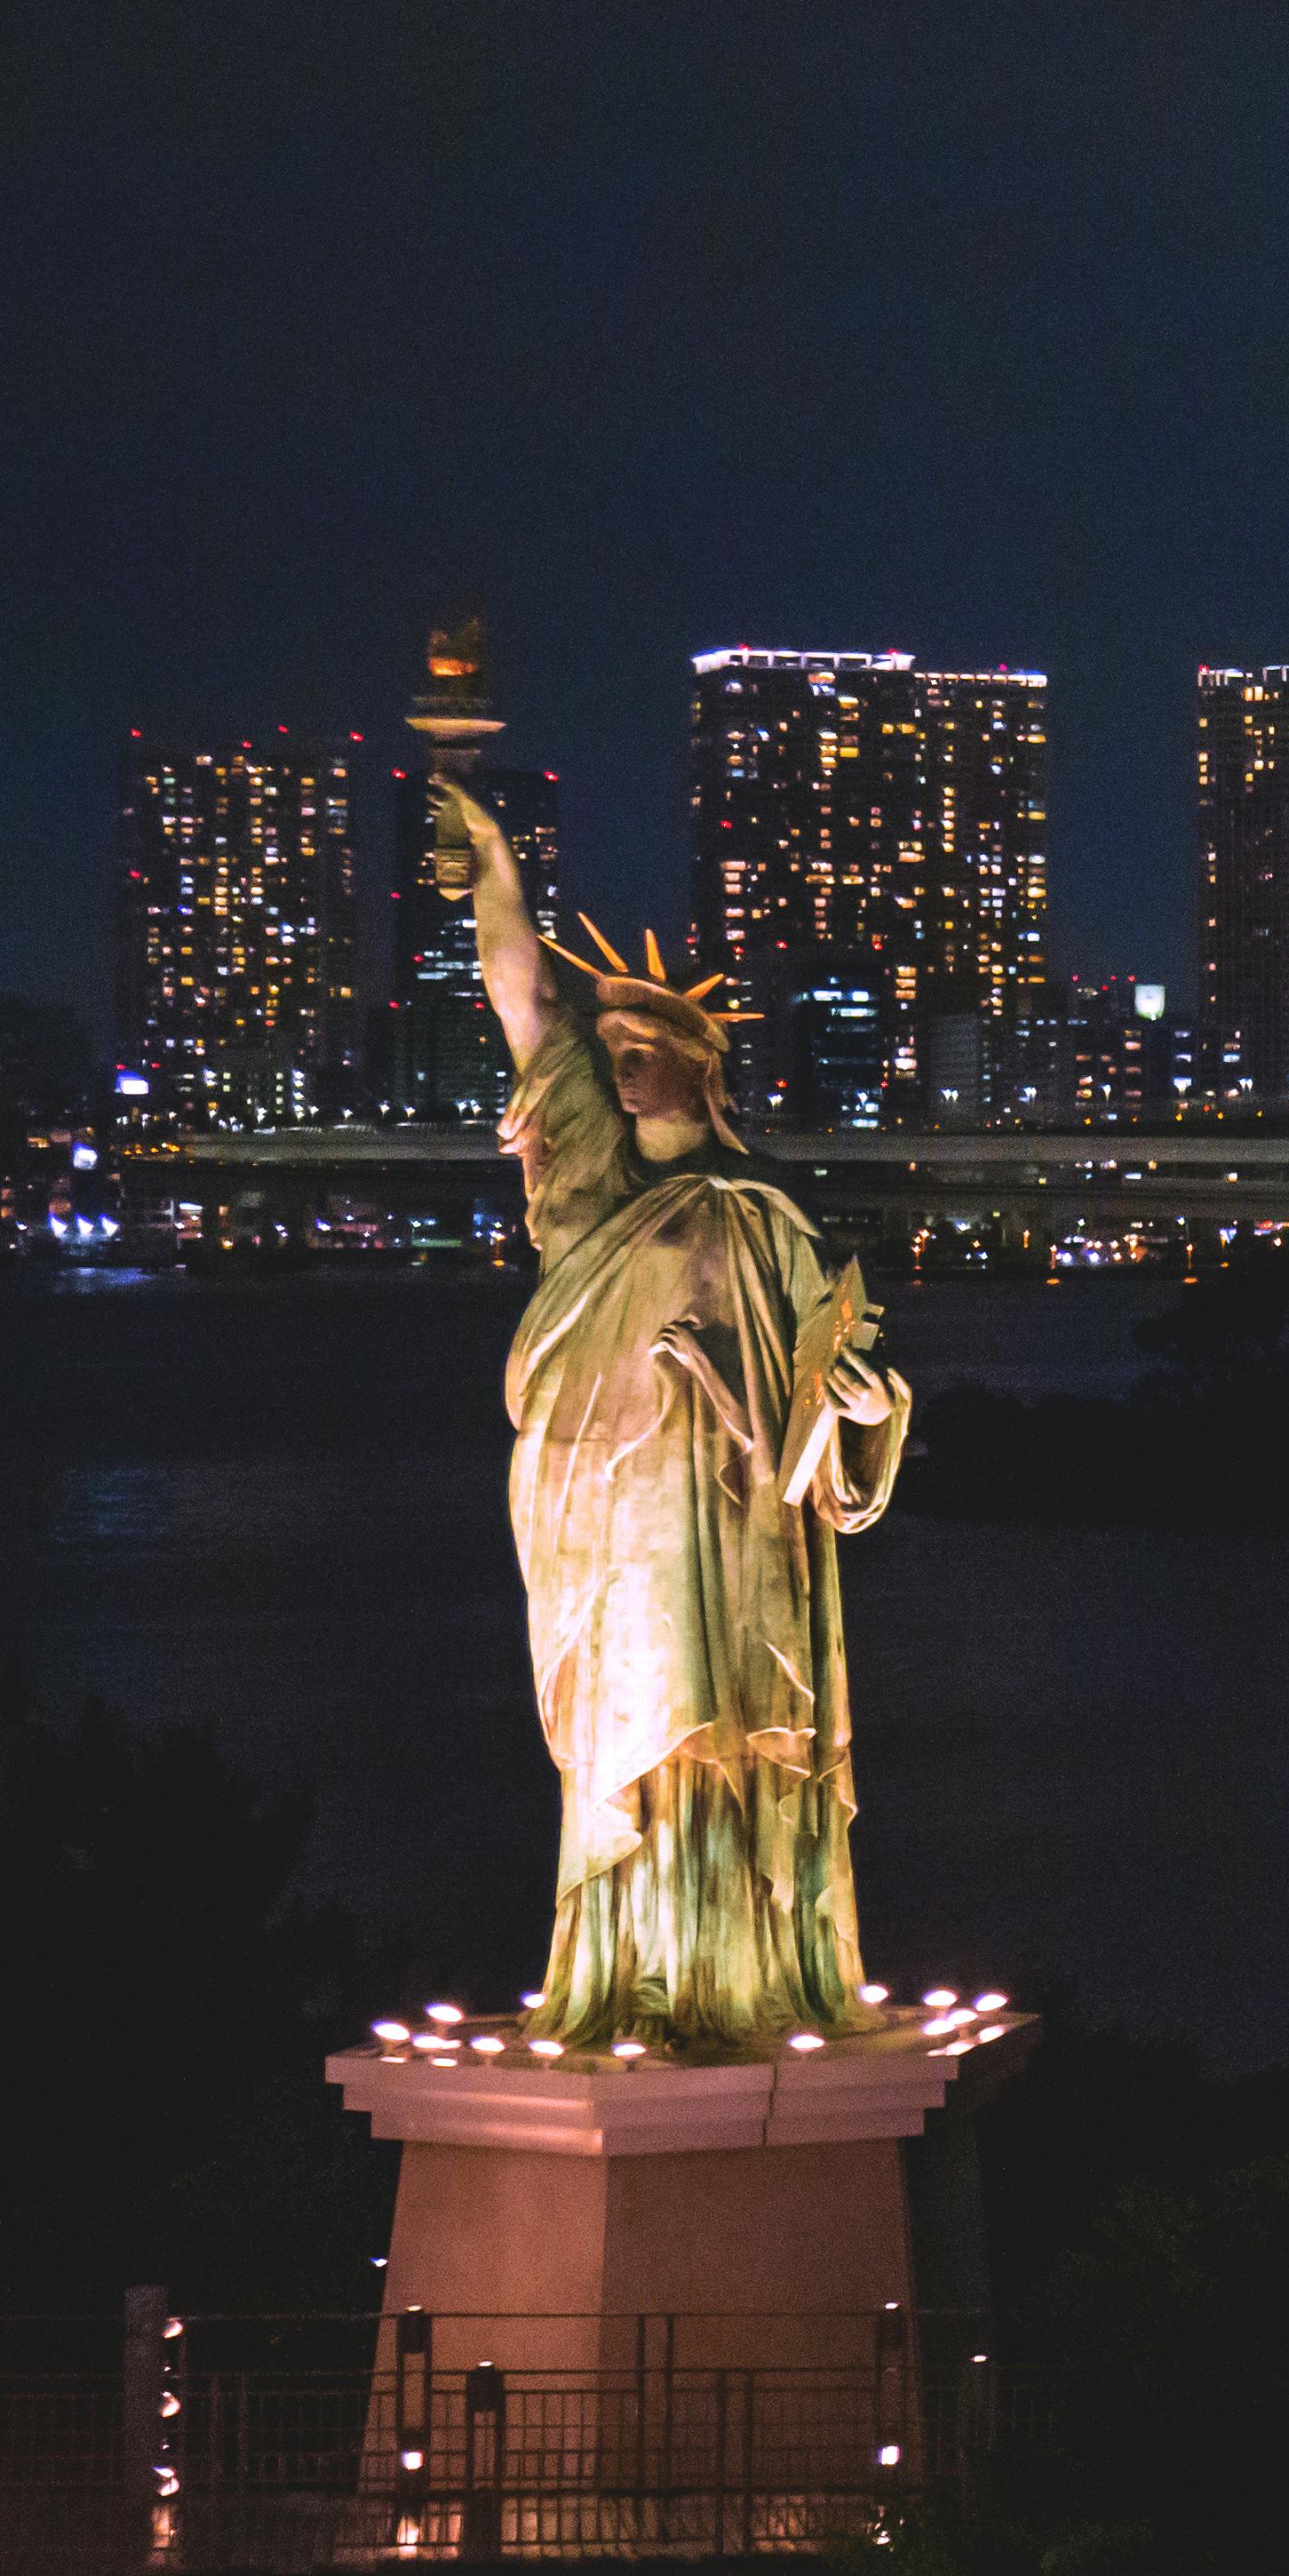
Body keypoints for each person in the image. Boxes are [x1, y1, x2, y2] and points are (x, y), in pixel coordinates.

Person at [431, 775, 906, 2054]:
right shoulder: (584, 1178)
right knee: (625, 1735)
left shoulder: (757, 1215)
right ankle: (634, 1968)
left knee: (716, 1726)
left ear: (699, 1065)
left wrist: (862, 1407)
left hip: (727, 1511)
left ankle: (723, 1971)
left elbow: (841, 1374)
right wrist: (497, 871)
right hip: (607, 1514)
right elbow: (524, 999)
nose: (621, 1069)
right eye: (615, 1053)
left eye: (645, 1054)